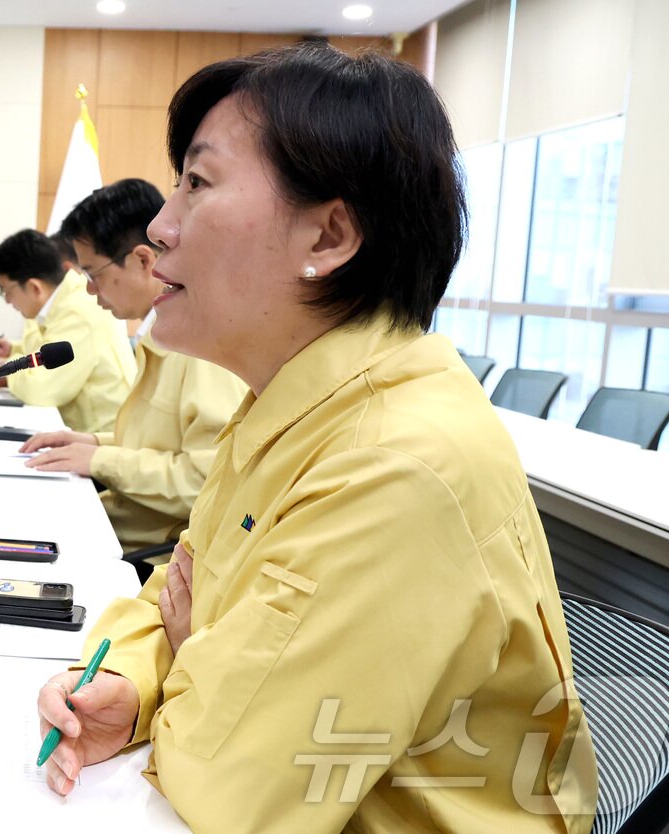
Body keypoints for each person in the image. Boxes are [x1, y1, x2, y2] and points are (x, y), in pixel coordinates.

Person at [34, 43, 596, 832]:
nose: (160, 225)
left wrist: (194, 654)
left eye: (197, 183)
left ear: (329, 238)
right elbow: (176, 586)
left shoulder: (397, 465)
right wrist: (130, 680)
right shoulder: (297, 402)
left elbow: (226, 785)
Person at [22, 179, 249, 553]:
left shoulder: (202, 348)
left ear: (143, 260)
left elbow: (205, 480)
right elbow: (162, 445)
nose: (90, 290)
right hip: (117, 526)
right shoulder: (156, 332)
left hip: (147, 556)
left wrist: (100, 459)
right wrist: (93, 442)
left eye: (93, 274)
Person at [0, 229, 135, 435]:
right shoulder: (65, 299)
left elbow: (43, 389)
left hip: (104, 436)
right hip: (85, 431)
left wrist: (7, 374)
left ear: (34, 287)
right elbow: (47, 352)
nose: (7, 301)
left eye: (6, 291)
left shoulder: (78, 312)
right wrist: (13, 350)